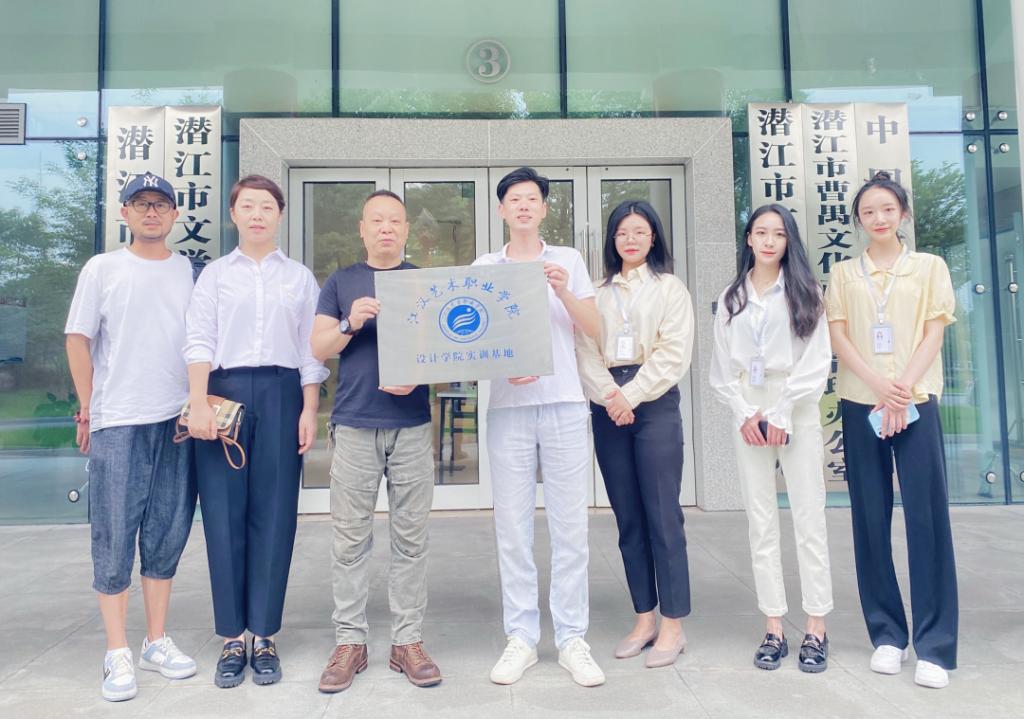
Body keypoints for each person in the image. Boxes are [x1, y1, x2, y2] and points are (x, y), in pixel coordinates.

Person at [184, 174, 327, 688]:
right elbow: (199, 339)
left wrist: (309, 409)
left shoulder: (299, 278)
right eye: (248, 206)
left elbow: (311, 349)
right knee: (223, 514)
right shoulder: (215, 276)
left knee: (275, 513)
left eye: (267, 206)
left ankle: (264, 635)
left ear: (280, 214)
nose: (258, 214)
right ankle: (231, 637)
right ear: (234, 214)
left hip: (282, 392)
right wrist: (198, 402)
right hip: (222, 395)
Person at [65, 172, 198, 701]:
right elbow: (78, 339)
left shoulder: (188, 271)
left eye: (160, 204)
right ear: (124, 213)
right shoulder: (102, 269)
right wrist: (87, 407)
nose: (151, 212)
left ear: (174, 215)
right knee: (114, 534)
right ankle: (116, 649)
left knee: (167, 531)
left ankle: (155, 641)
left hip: (176, 419)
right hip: (118, 418)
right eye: (140, 203)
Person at [825, 171, 958, 689]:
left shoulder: (929, 267)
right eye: (868, 212)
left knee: (927, 519)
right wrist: (880, 386)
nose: (878, 218)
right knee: (869, 518)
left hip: (915, 401)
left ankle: (935, 645)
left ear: (902, 213)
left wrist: (901, 389)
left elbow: (934, 333)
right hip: (863, 403)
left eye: (886, 209)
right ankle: (887, 634)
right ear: (858, 220)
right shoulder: (844, 274)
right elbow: (840, 338)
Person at [473, 167, 605, 688]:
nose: (524, 206)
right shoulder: (485, 266)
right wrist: (501, 366)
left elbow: (594, 327)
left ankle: (572, 638)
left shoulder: (567, 260)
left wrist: (566, 292)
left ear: (545, 209)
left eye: (532, 198)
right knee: (512, 527)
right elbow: (473, 337)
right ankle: (522, 638)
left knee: (571, 527)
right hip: (509, 407)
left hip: (565, 404)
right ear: (501, 210)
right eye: (514, 199)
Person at [311, 190, 442, 692]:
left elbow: (447, 348)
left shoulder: (423, 282)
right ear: (362, 229)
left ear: (406, 230)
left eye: (395, 221)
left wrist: (419, 375)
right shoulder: (341, 282)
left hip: (411, 424)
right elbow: (318, 347)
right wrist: (350, 322)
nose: (386, 228)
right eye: (377, 221)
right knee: (349, 539)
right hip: (354, 423)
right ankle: (350, 642)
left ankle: (408, 641)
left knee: (411, 539)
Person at [709, 203, 834, 673]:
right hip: (748, 406)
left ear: (788, 240)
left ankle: (816, 626)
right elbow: (722, 366)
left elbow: (817, 360)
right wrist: (745, 412)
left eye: (778, 234)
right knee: (760, 520)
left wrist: (782, 411)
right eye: (760, 232)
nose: (768, 241)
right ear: (748, 238)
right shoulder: (731, 297)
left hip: (794, 404)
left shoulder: (806, 291)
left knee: (808, 516)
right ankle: (774, 626)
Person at [575, 200, 694, 669]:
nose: (630, 239)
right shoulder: (597, 292)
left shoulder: (670, 288)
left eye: (639, 231)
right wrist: (611, 396)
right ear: (612, 239)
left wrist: (632, 395)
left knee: (663, 515)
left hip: (654, 402)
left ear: (653, 237)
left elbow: (673, 353)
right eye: (622, 232)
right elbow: (584, 348)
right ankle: (644, 618)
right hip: (608, 404)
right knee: (628, 517)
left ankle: (673, 625)